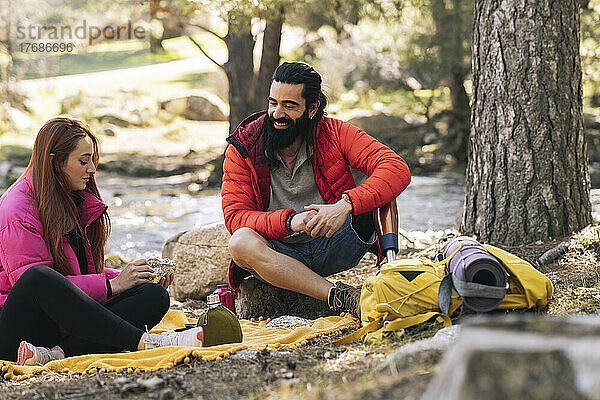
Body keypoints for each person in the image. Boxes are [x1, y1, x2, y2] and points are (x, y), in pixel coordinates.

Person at [0, 117, 204, 366]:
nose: (92, 170)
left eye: (93, 161)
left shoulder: (70, 197)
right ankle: (147, 342)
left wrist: (134, 276)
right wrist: (113, 285)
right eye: (83, 161)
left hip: (61, 325)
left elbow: (81, 273)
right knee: (37, 276)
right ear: (54, 161)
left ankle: (56, 354)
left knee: (154, 295)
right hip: (21, 330)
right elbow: (41, 288)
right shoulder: (17, 208)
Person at [223, 62, 411, 318]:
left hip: (335, 243)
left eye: (289, 106)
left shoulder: (335, 132)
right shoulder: (243, 146)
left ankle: (389, 272)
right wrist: (291, 221)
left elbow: (396, 167)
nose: (277, 114)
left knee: (383, 190)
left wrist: (344, 206)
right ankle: (340, 296)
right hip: (279, 254)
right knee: (240, 241)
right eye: (273, 103)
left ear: (312, 109)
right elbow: (235, 217)